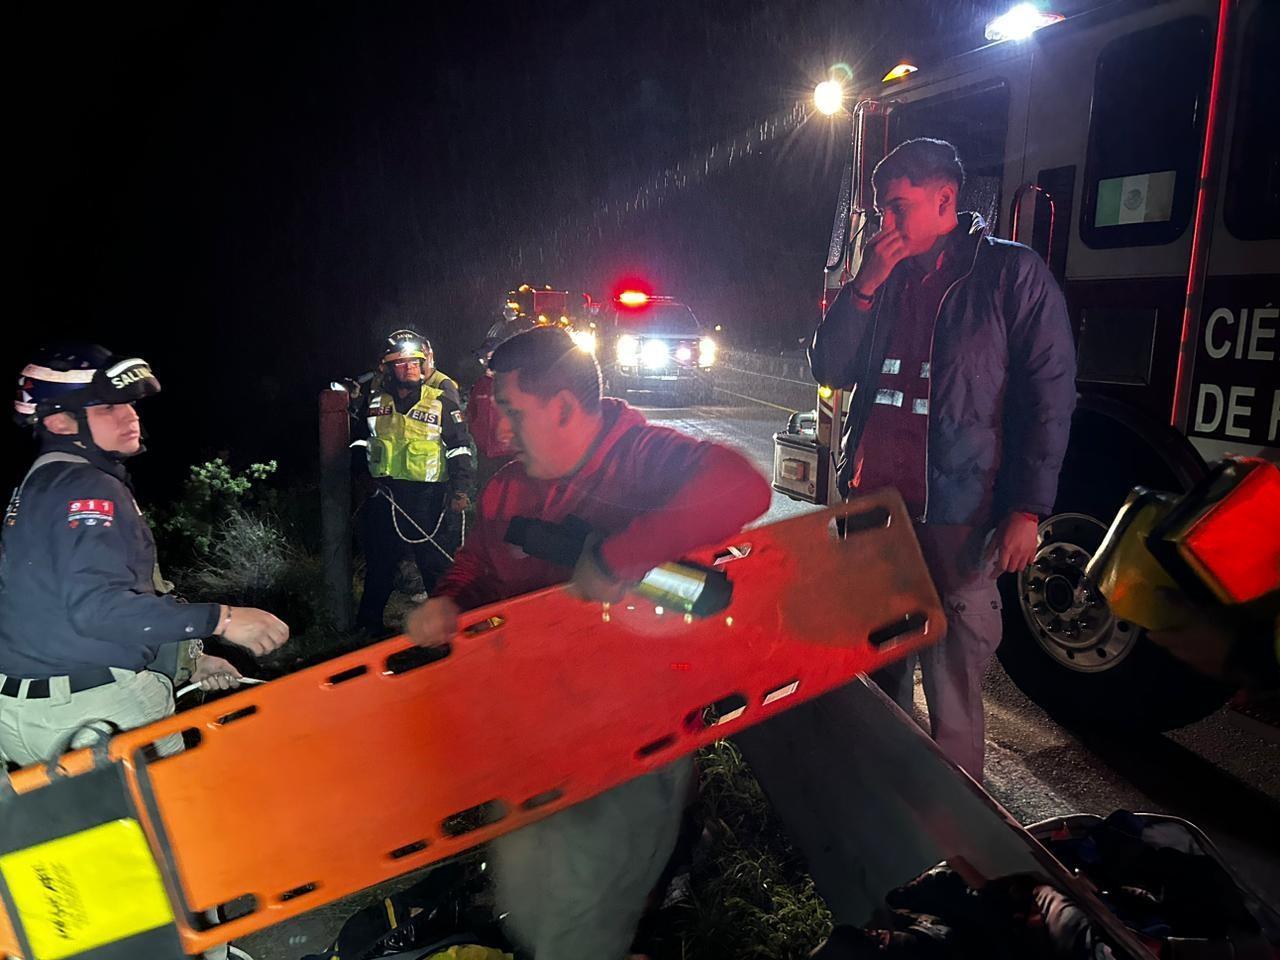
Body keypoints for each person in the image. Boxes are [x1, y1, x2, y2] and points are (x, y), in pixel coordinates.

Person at [407, 326, 771, 960]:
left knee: (575, 925)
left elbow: (744, 486)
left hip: (626, 746)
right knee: (534, 905)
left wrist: (620, 555)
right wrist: (449, 601)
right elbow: (480, 561)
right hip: (538, 735)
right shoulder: (510, 484)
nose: (502, 432)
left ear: (565, 408)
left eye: (514, 414)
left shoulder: (639, 458)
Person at [809, 138, 1076, 780]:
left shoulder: (1011, 275)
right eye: (878, 213)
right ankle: (885, 805)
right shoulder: (881, 278)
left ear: (945, 199)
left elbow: (1049, 397)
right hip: (875, 513)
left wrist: (1027, 509)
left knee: (954, 689)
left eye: (896, 209)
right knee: (881, 670)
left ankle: (953, 832)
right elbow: (829, 367)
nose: (884, 226)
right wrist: (863, 286)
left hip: (961, 515)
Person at [0, 343, 290, 769]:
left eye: (129, 405)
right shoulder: (88, 488)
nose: (130, 415)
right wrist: (225, 619)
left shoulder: (40, 485)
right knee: (183, 828)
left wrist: (190, 661)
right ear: (61, 420)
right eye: (107, 409)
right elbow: (99, 610)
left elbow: (62, 615)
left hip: (21, 714)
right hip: (91, 718)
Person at [355, 329, 476, 632]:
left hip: (428, 500)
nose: (410, 368)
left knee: (435, 568)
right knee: (380, 565)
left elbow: (460, 449)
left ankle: (449, 631)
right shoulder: (374, 403)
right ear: (388, 368)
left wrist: (460, 490)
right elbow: (359, 442)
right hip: (384, 496)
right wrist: (361, 475)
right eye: (402, 363)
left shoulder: (441, 403)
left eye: (415, 362)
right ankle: (367, 629)